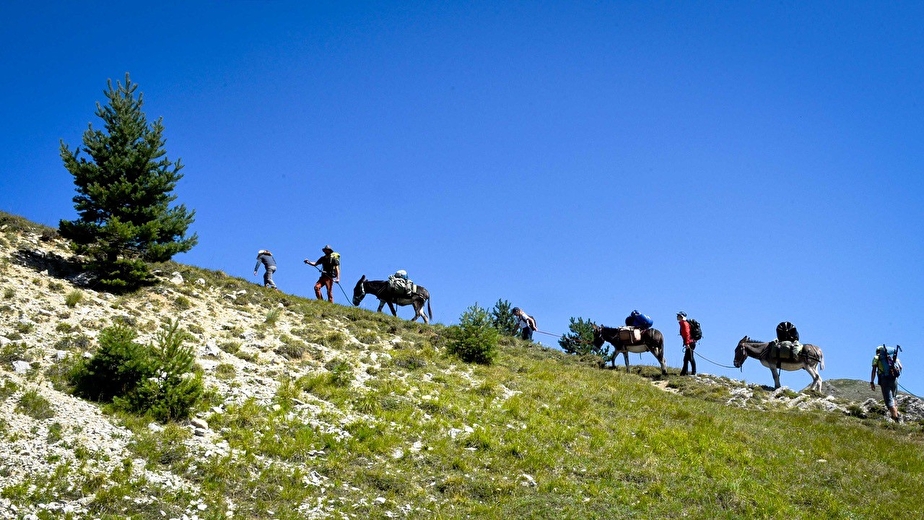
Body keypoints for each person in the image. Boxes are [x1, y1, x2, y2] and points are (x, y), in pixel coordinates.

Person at [870, 345, 903, 422]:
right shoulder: (893, 357)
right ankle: (896, 415)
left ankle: (896, 419)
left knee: (889, 401)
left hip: (884, 379)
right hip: (894, 379)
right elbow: (900, 367)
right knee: (894, 398)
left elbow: (874, 370)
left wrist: (872, 381)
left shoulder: (876, 358)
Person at [677, 311, 696, 376]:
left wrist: (687, 343)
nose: (677, 316)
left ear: (681, 316)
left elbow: (687, 334)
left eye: (678, 315)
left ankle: (693, 372)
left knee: (690, 358)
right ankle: (684, 372)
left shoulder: (685, 324)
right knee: (686, 358)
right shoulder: (683, 323)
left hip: (690, 343)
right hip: (689, 343)